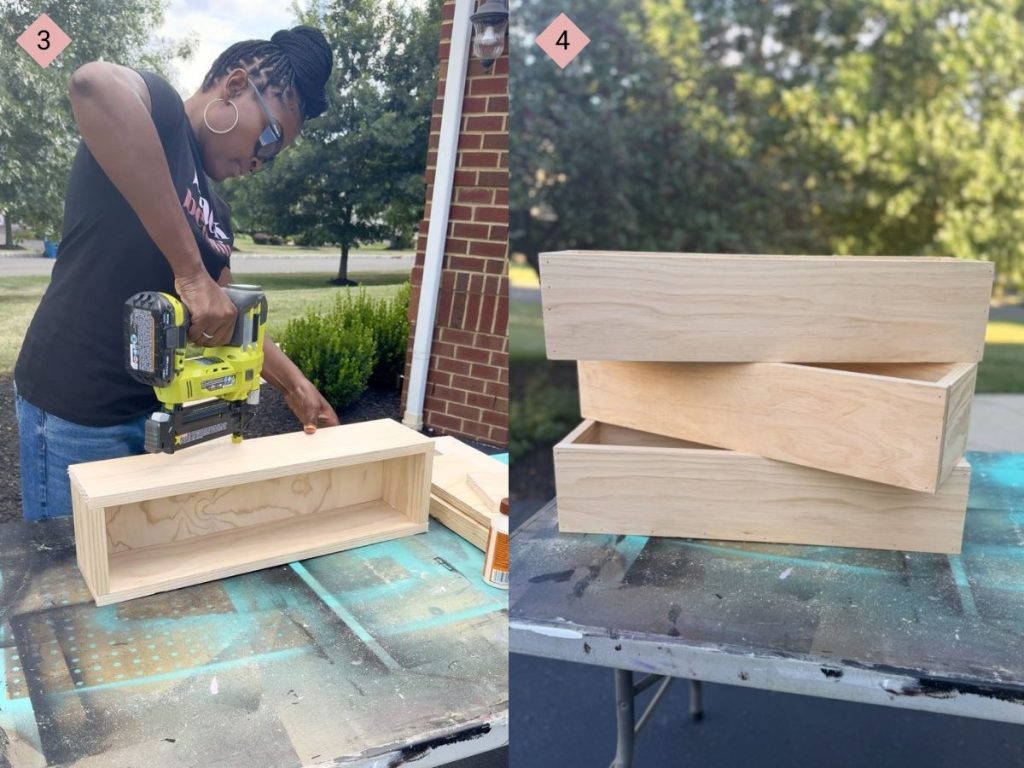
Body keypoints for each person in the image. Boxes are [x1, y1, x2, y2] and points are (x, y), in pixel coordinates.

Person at [14, 26, 341, 522]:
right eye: (269, 137)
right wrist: (190, 272)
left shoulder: (219, 213)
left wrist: (296, 386)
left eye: (273, 157)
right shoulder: (160, 116)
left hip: (153, 415)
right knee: (68, 580)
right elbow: (92, 84)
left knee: (130, 569)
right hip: (75, 413)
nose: (259, 162)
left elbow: (230, 314)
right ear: (233, 86)